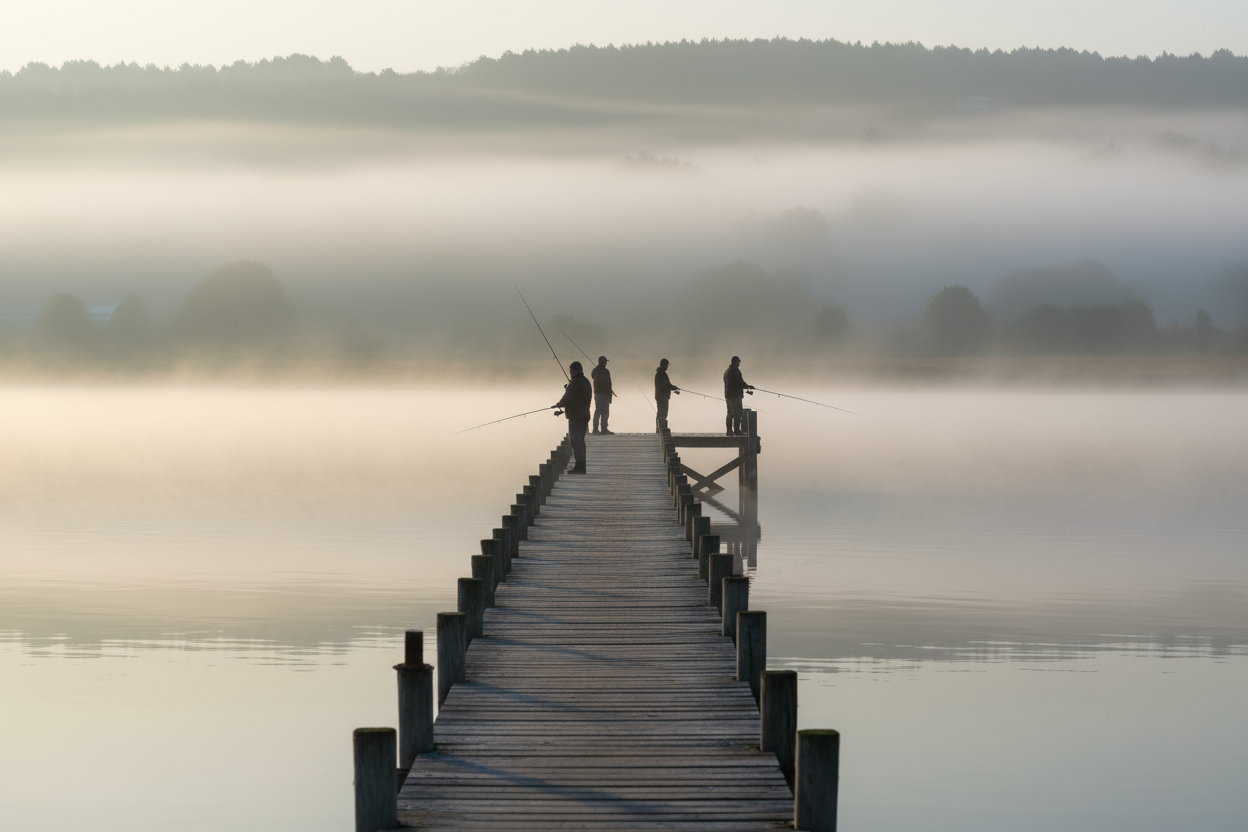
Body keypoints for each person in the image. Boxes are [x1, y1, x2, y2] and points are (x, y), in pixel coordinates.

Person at [554, 361, 592, 473]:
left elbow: (567, 398)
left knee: (576, 442)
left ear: (574, 371)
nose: (570, 373)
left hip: (576, 416)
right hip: (584, 415)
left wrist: (558, 404)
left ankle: (579, 466)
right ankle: (581, 464)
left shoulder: (575, 383)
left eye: (571, 371)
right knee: (580, 441)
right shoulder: (586, 381)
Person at [723, 355, 754, 436]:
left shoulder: (726, 371)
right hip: (735, 396)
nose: (739, 363)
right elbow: (740, 382)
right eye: (739, 362)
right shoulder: (735, 370)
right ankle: (736, 431)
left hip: (728, 396)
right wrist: (748, 386)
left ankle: (729, 431)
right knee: (737, 413)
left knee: (730, 413)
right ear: (736, 362)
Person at [590, 355, 617, 435]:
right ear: (604, 363)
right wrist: (610, 397)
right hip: (605, 394)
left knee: (598, 410)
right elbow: (609, 384)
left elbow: (592, 376)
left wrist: (597, 367)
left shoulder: (595, 370)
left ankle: (595, 429)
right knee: (605, 412)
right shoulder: (606, 371)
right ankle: (604, 429)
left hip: (597, 394)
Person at [654, 358, 680, 431]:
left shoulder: (662, 373)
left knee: (663, 413)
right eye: (666, 365)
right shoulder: (660, 374)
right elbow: (664, 385)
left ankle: (660, 429)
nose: (667, 366)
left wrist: (674, 388)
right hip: (661, 397)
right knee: (662, 414)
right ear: (663, 365)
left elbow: (667, 384)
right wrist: (672, 388)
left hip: (663, 397)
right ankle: (660, 430)